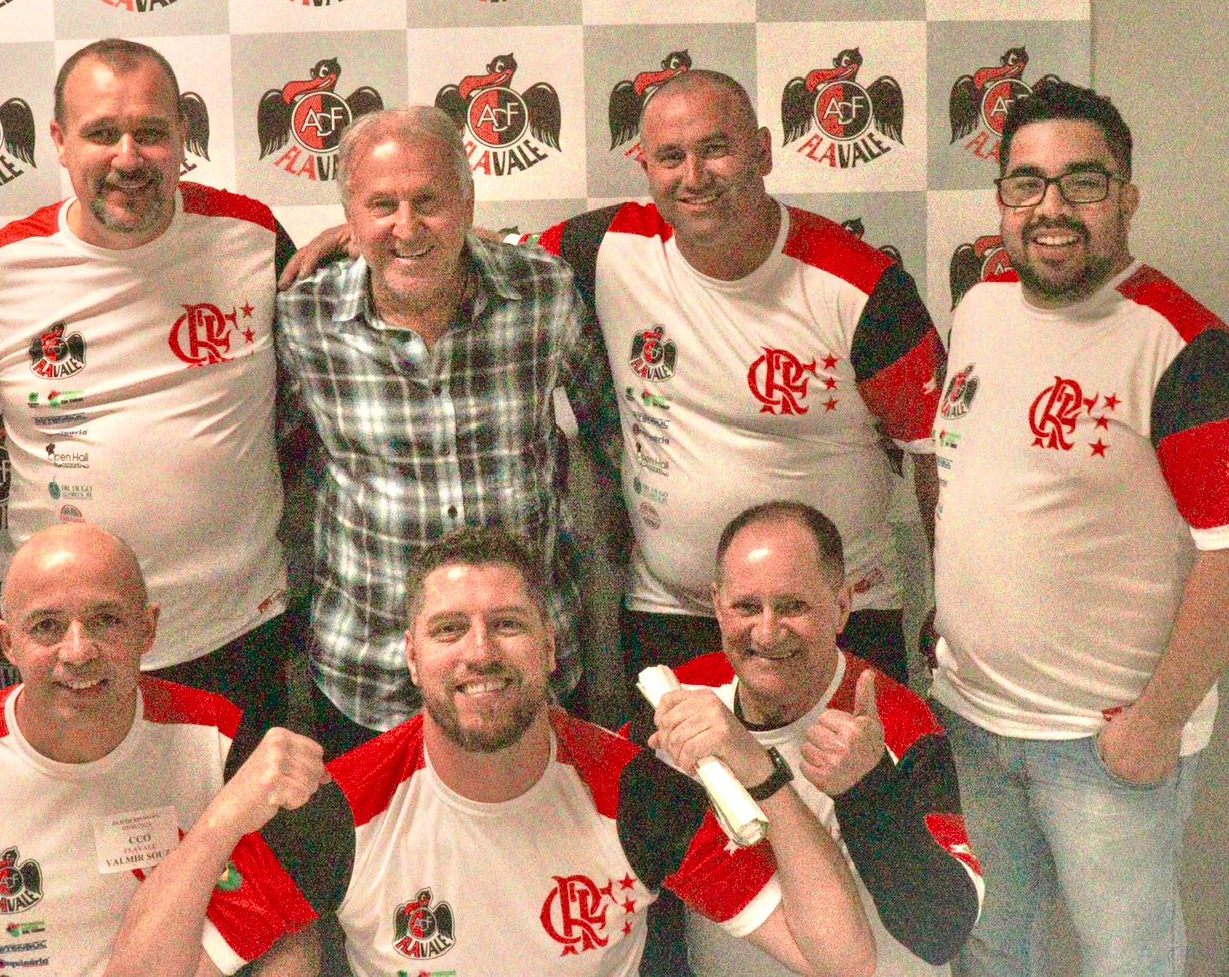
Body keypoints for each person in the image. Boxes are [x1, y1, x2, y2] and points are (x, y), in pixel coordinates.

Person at [283, 71, 943, 688]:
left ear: (765, 151)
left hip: (838, 617)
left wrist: (951, 602)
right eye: (671, 157)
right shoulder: (606, 247)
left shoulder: (865, 287)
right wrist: (363, 235)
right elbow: (461, 248)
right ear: (646, 167)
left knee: (853, 772)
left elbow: (936, 455)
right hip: (670, 615)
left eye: (716, 149)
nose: (695, 176)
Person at [108, 527, 877, 977]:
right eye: (450, 630)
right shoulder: (340, 809)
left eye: (507, 624)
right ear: (412, 658)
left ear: (550, 647)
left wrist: (761, 774)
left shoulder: (637, 790)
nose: (480, 652)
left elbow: (840, 957)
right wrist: (221, 821)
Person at [930, 80, 1229, 977]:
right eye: (1027, 183)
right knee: (989, 952)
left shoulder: (1184, 346)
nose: (1051, 208)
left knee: (1127, 964)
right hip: (972, 720)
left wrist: (1157, 720)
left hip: (1102, 743)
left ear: (1126, 197)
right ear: (1002, 200)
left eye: (1082, 183)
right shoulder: (981, 306)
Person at [0, 39, 298, 747]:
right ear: (59, 141)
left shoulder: (252, 236)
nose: (128, 157)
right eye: (101, 133)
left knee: (250, 821)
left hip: (236, 631)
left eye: (150, 132)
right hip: (72, 648)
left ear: (183, 135)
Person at [0, 525, 319, 976]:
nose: (78, 652)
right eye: (46, 626)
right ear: (7, 643)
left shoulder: (225, 741)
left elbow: (290, 935)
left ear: (148, 629)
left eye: (107, 620)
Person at [275, 106, 620, 756]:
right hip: (369, 678)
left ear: (467, 202)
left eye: (429, 202)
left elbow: (612, 437)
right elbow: (267, 465)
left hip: (530, 671)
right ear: (349, 217)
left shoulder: (543, 293)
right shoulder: (304, 318)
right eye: (382, 205)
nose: (407, 227)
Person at [665, 501, 981, 975]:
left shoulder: (897, 722)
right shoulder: (681, 694)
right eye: (746, 607)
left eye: (793, 607)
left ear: (842, 606)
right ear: (716, 604)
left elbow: (942, 933)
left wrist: (868, 790)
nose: (767, 634)